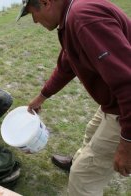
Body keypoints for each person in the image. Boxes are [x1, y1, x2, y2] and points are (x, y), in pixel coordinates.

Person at [17, 0, 131, 195]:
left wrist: (127, 142)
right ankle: (80, 160)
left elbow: (128, 83)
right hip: (112, 101)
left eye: (32, 13)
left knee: (82, 177)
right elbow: (67, 64)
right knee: (91, 131)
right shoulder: (70, 18)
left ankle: (83, 169)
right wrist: (42, 96)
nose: (35, 21)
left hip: (123, 106)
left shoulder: (82, 19)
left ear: (46, 3)